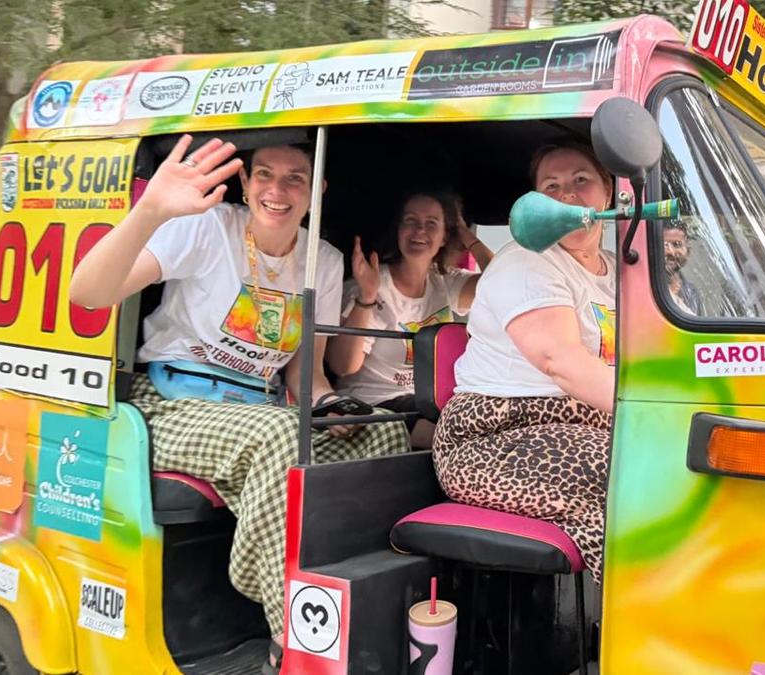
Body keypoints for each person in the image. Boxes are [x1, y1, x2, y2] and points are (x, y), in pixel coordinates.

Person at [69, 135, 408, 674]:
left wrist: (329, 406)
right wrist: (150, 211)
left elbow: (306, 375)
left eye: (295, 178)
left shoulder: (322, 258)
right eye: (265, 175)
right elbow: (86, 293)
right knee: (280, 438)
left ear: (316, 190)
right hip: (172, 402)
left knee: (385, 428)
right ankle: (291, 638)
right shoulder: (207, 228)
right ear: (246, 184)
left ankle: (365, 605)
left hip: (263, 406)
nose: (278, 189)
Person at [431, 139, 616, 582]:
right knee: (631, 470)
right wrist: (657, 417)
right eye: (551, 186)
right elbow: (560, 360)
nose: (567, 194)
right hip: (491, 436)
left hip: (586, 426)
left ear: (608, 192)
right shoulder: (527, 260)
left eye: (581, 180)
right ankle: (650, 612)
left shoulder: (622, 269)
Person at [327, 190, 493, 447]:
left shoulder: (445, 281)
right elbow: (343, 366)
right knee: (454, 432)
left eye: (431, 224)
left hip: (430, 403)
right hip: (375, 403)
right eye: (411, 221)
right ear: (398, 229)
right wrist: (366, 298)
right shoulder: (372, 282)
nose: (420, 231)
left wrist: (467, 236)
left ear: (445, 236)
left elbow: (498, 280)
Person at [662, 220, 703, 315]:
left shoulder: (691, 292)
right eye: (664, 245)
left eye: (677, 245)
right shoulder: (642, 287)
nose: (670, 251)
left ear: (688, 252)